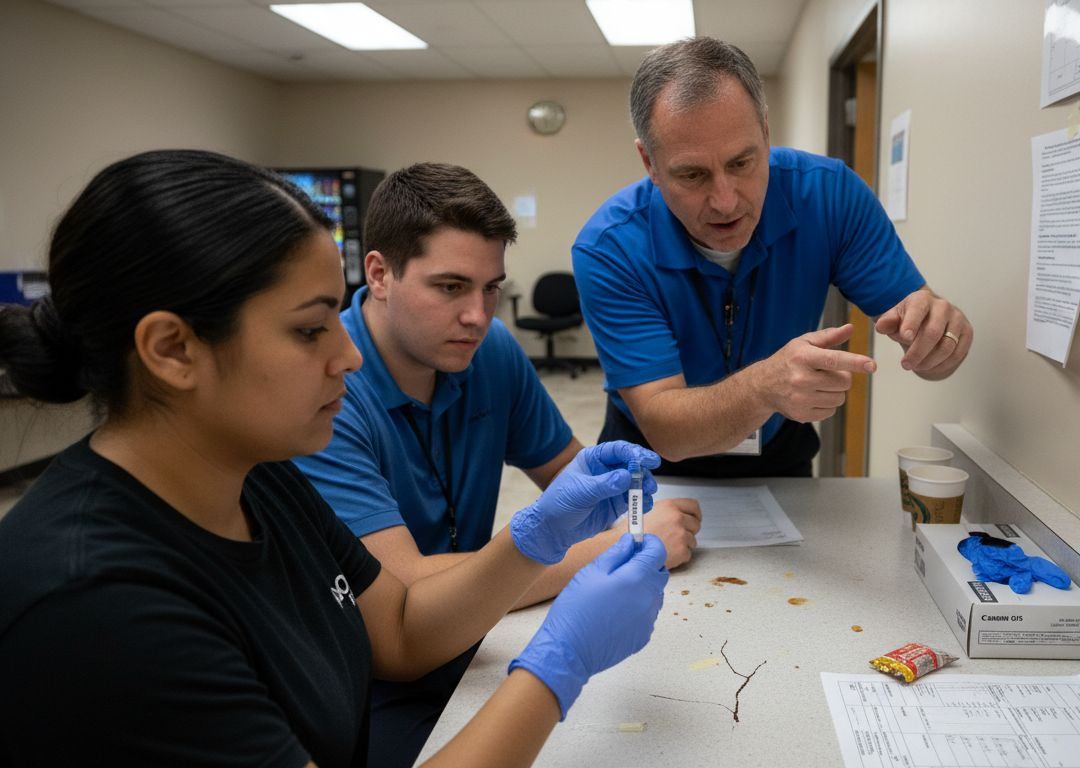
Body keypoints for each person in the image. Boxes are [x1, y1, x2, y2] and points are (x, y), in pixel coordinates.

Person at [0, 149, 669, 767]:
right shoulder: (98, 601)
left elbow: (401, 634)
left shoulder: (259, 479)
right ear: (174, 350)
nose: (348, 356)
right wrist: (560, 666)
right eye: (310, 328)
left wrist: (538, 535)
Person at [290, 162, 702, 767]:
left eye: (492, 289)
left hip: (474, 640)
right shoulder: (328, 393)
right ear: (378, 274)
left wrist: (615, 491)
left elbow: (569, 477)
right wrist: (630, 543)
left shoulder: (489, 350)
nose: (478, 316)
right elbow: (403, 600)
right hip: (372, 681)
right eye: (451, 287)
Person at [572, 37, 974, 478]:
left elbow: (920, 330)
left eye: (742, 163)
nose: (725, 202)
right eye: (693, 174)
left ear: (765, 132)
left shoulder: (829, 196)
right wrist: (764, 386)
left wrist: (938, 343)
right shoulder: (609, 247)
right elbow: (668, 430)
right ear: (649, 161)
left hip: (778, 443)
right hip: (652, 457)